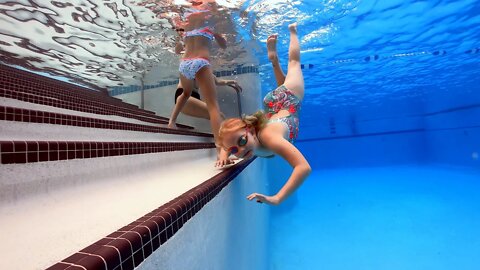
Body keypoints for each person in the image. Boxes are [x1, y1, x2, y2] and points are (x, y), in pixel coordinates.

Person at [217, 23, 311, 205]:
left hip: (289, 99)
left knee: (294, 63)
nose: (241, 151)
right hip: (273, 107)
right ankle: (274, 60)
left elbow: (303, 167)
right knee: (283, 83)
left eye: (242, 142)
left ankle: (292, 31)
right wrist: (224, 154)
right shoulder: (242, 138)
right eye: (235, 150)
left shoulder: (269, 138)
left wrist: (277, 198)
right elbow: (227, 140)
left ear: (251, 130)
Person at [167, 7, 231, 163]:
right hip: (201, 61)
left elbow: (177, 50)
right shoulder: (211, 23)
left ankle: (171, 122)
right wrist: (218, 35)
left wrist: (180, 37)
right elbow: (223, 46)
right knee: (213, 107)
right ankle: (220, 150)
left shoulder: (185, 26)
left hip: (184, 64)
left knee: (186, 93)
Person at [173, 75, 242, 120]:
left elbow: (219, 82)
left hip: (192, 98)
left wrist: (233, 81)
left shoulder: (206, 71)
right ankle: (228, 139)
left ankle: (222, 138)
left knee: (217, 117)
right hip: (184, 96)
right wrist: (172, 120)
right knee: (219, 116)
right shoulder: (190, 67)